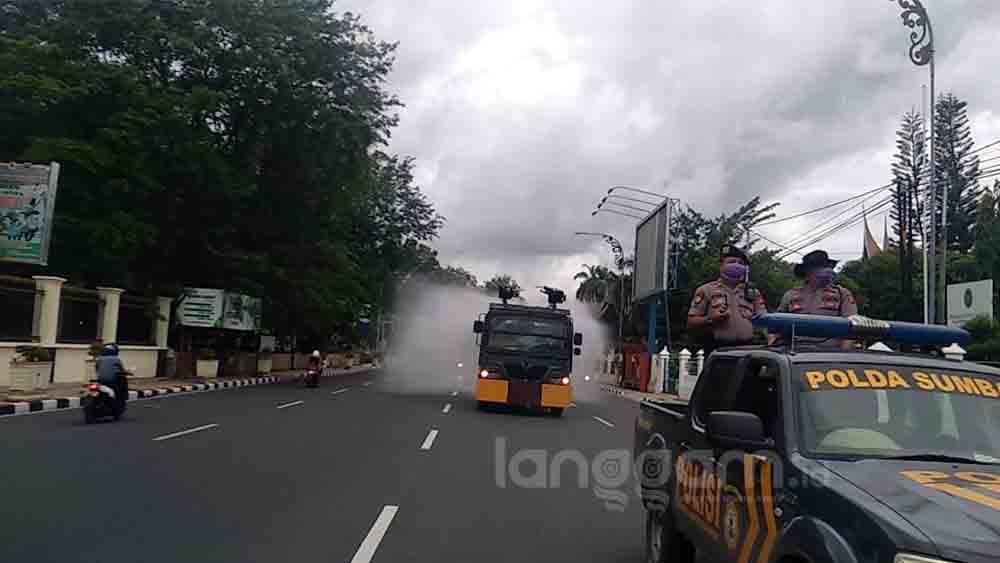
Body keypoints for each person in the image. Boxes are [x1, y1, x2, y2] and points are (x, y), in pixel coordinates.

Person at [687, 244, 768, 356]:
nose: (736, 266)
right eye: (731, 262)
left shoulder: (752, 292)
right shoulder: (706, 290)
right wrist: (711, 319)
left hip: (748, 349)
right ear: (721, 265)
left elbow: (765, 320)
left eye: (741, 263)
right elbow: (691, 322)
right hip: (718, 349)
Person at [772, 249, 858, 349]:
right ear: (807, 272)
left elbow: (853, 326)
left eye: (826, 267)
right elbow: (776, 326)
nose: (825, 272)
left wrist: (842, 356)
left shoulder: (842, 294)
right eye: (818, 268)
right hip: (795, 353)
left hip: (830, 353)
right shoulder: (790, 295)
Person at [95, 343, 129, 411]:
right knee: (120, 386)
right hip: (113, 380)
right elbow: (121, 369)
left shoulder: (99, 358)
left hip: (100, 380)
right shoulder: (117, 359)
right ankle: (118, 400)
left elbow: (97, 368)